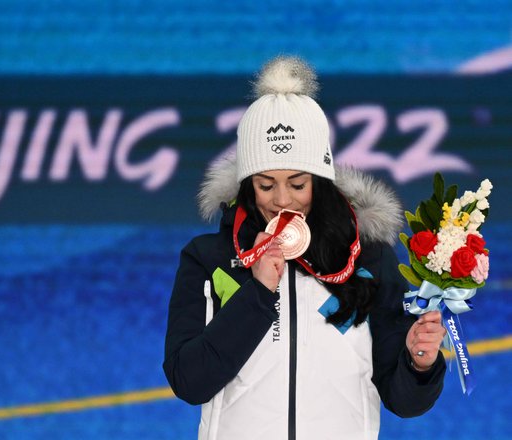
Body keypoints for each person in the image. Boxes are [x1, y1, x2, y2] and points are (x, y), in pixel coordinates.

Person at [163, 56, 447, 440]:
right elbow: (189, 381)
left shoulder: (367, 258)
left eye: (298, 185)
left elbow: (404, 402)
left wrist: (418, 363)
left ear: (322, 180)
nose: (282, 200)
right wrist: (259, 291)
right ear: (247, 184)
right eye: (265, 185)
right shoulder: (209, 260)